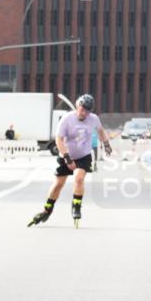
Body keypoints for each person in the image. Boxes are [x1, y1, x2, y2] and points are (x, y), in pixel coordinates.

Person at [28, 94, 112, 227]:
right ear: (78, 106)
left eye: (87, 111)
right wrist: (67, 158)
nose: (84, 113)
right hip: (66, 154)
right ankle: (47, 210)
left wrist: (106, 144)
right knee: (58, 184)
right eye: (82, 109)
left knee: (79, 179)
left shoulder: (93, 119)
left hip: (83, 155)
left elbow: (101, 131)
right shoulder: (67, 119)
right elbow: (59, 139)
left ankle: (76, 206)